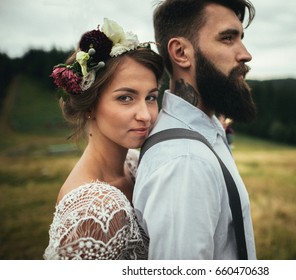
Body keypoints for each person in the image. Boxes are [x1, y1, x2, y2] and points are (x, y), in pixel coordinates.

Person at [133, 0, 257, 259]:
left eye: (241, 38)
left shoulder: (205, 129)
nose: (245, 54)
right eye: (227, 38)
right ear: (180, 52)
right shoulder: (184, 162)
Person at [43, 18, 164, 260]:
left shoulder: (134, 164)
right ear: (90, 106)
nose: (145, 115)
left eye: (150, 97)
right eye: (125, 98)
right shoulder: (94, 209)